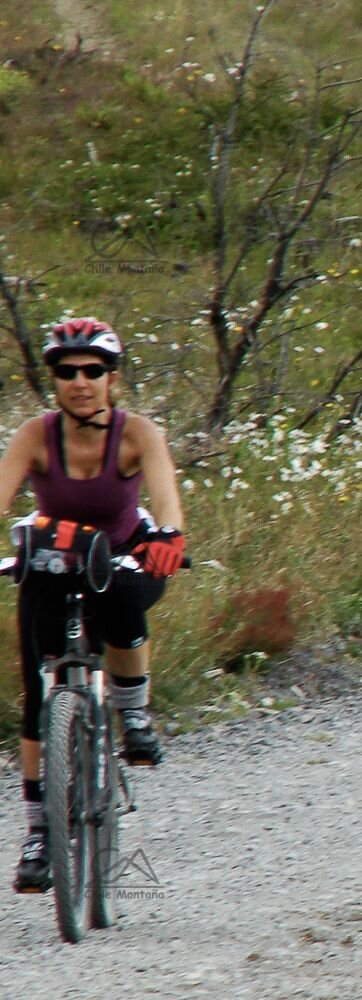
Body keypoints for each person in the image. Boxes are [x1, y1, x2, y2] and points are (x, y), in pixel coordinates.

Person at [0, 318, 186, 893]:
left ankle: (132, 713)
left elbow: (167, 502)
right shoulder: (36, 435)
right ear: (53, 378)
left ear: (112, 377)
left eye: (93, 371)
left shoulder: (138, 434)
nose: (80, 382)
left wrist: (169, 539)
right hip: (54, 558)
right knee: (37, 691)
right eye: (66, 371)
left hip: (123, 553)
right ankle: (37, 835)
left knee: (127, 595)